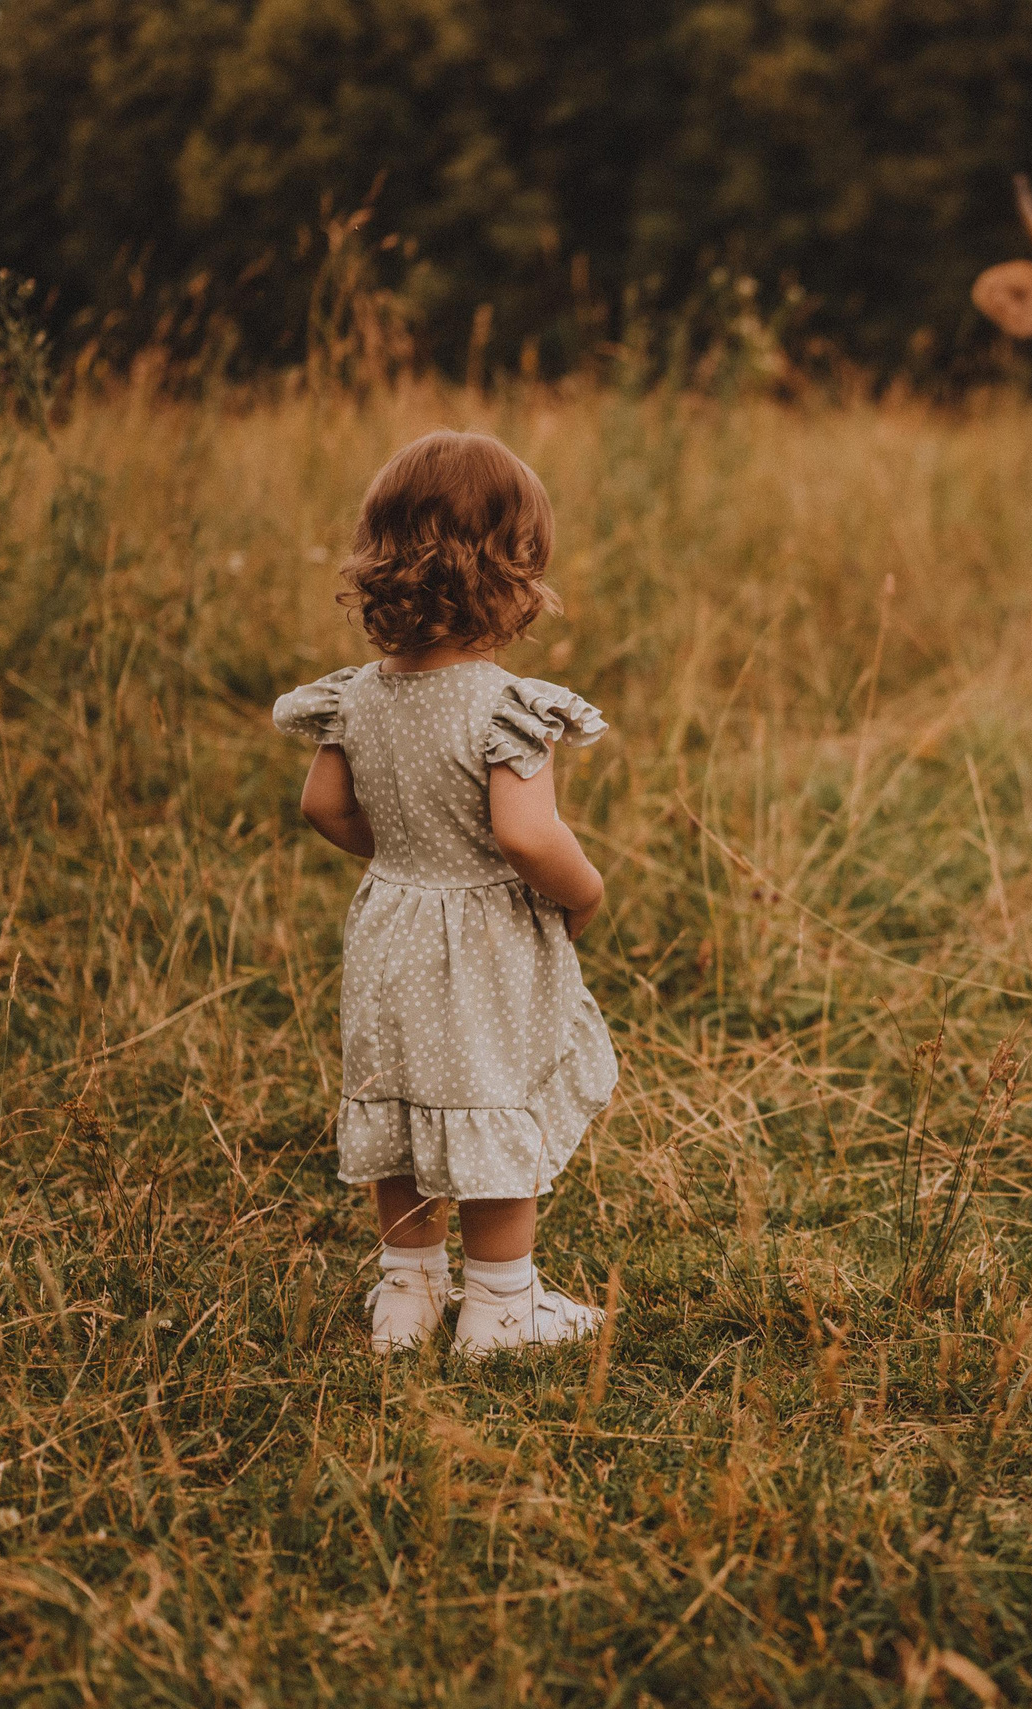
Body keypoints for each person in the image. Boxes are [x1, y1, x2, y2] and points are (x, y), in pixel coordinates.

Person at [274, 430, 618, 1357]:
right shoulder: (507, 705)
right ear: (519, 570)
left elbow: (322, 804)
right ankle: (503, 1303)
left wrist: (401, 861)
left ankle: (408, 1295)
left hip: (391, 923)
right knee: (490, 1100)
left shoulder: (360, 698)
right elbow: (525, 832)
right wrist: (583, 892)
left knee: (403, 1106)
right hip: (486, 935)